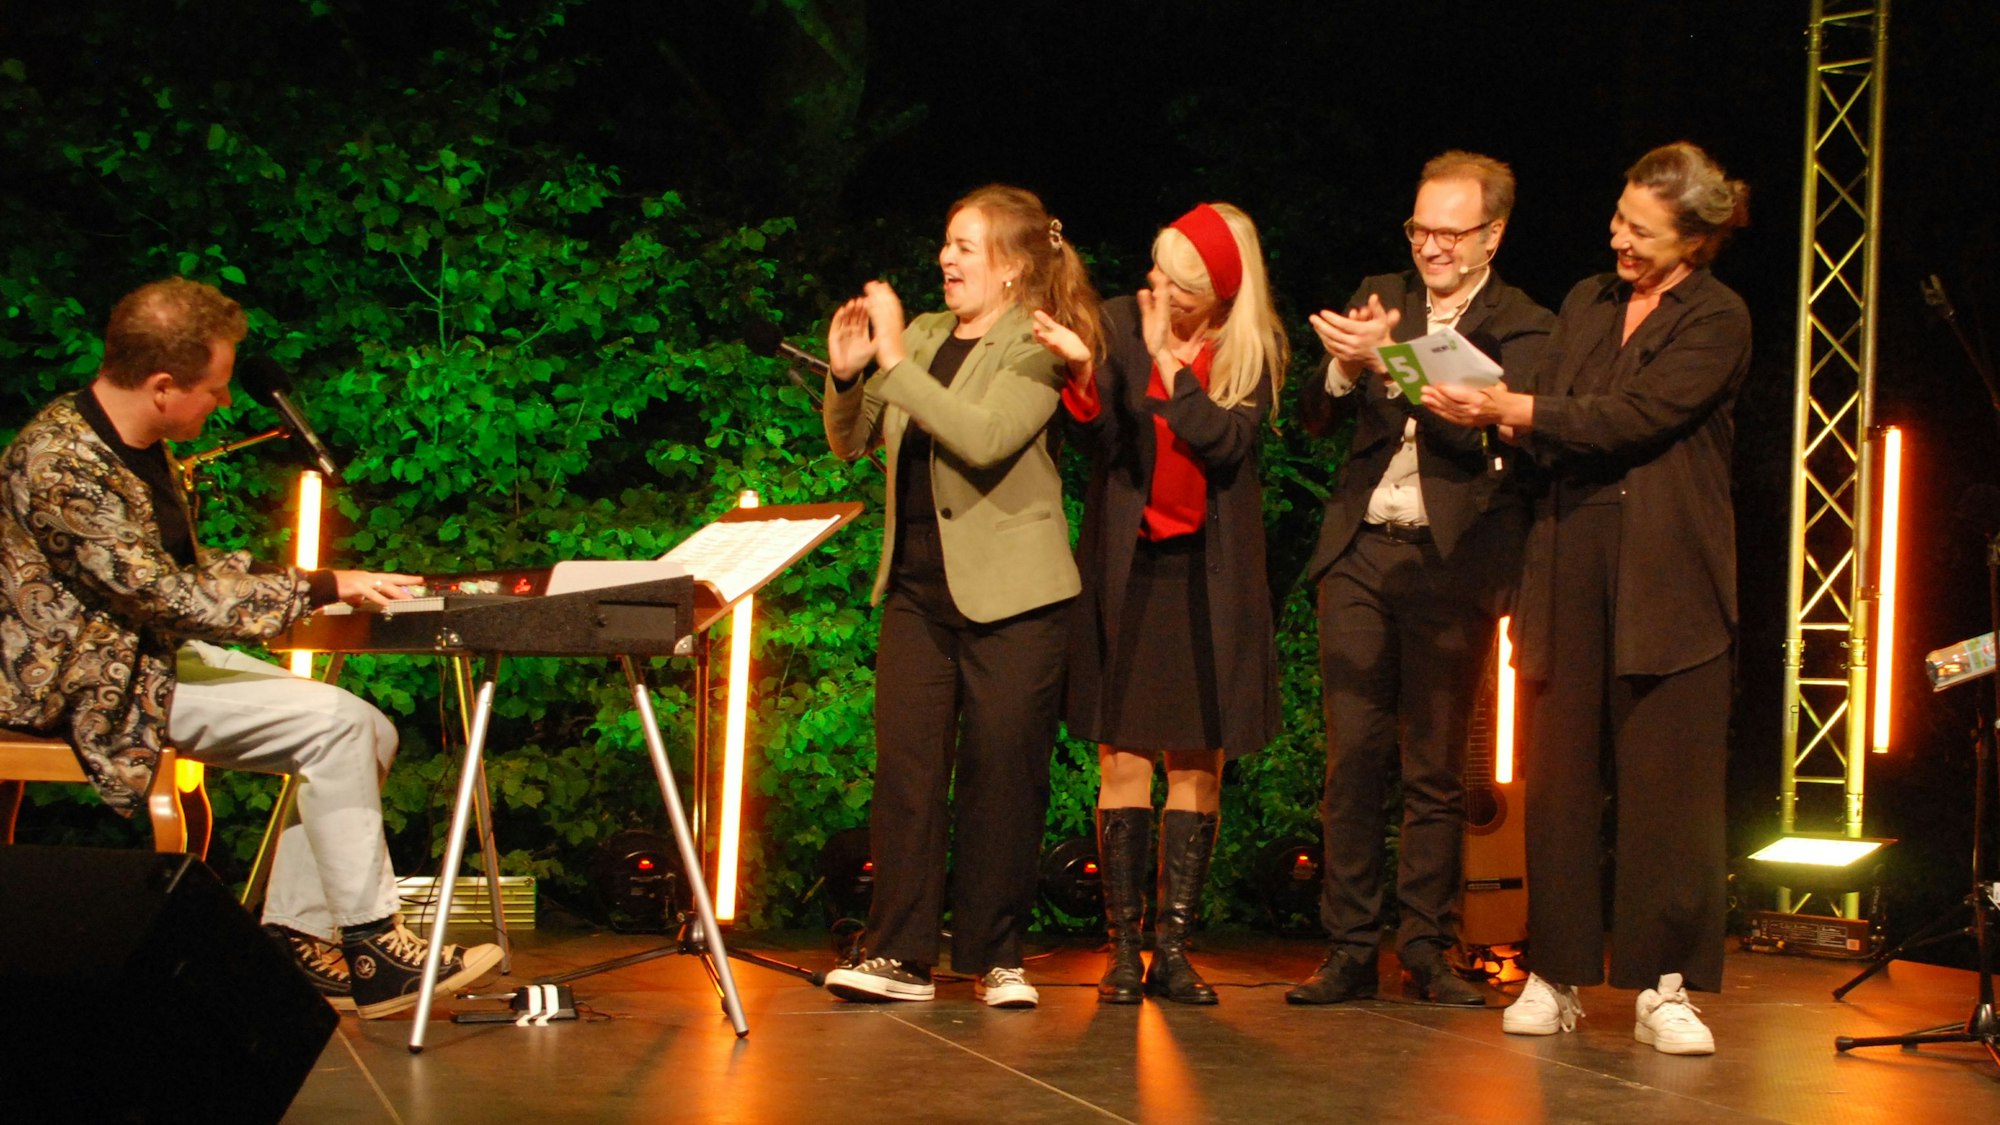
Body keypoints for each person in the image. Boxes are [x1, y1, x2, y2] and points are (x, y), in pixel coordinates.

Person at [0, 277, 502, 1019]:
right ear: (163, 386)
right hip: (82, 677)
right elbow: (165, 597)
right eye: (215, 388)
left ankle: (299, 941)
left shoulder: (137, 442)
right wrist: (319, 585)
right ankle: (375, 946)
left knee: (367, 725)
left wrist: (320, 582)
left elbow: (179, 577)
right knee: (333, 728)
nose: (225, 404)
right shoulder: (62, 462)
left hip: (144, 651)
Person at [1423, 142, 1751, 1055]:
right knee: (1560, 781)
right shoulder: (1586, 301)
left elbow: (1635, 416)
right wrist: (1480, 405)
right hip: (1569, 561)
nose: (1618, 238)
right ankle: (1555, 971)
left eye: (1640, 231)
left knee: (1668, 789)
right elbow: (1554, 407)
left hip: (1669, 574)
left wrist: (1514, 411)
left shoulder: (1718, 318)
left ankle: (1666, 984)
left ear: (1693, 238)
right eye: (1617, 218)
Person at [819, 185, 1100, 1009]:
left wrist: (894, 359)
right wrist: (847, 377)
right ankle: (898, 952)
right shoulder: (928, 335)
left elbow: (983, 438)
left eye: (966, 246)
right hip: (916, 590)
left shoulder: (1039, 341)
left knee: (1000, 777)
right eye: (946, 242)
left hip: (1016, 599)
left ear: (1012, 267)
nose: (947, 258)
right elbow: (854, 438)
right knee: (906, 773)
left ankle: (997, 953)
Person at [1288, 152, 1554, 1008]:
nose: (1431, 246)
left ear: (1492, 234)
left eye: (1450, 231)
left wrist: (1395, 357)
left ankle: (1427, 950)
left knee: (1435, 767)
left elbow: (1492, 443)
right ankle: (1349, 946)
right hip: (1363, 549)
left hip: (1452, 556)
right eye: (1420, 228)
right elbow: (1315, 414)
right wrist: (1340, 365)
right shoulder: (1382, 292)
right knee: (1353, 756)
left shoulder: (1525, 323)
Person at [1032, 203, 1285, 1005]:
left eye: (1173, 281)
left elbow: (1224, 443)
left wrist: (1170, 368)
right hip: (1131, 569)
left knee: (1197, 761)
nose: (1154, 290)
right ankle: (1121, 950)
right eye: (1154, 272)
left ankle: (1173, 949)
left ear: (1214, 291)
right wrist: (1082, 376)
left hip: (1208, 579)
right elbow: (1101, 441)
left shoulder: (1247, 356)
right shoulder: (1117, 324)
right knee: (1122, 755)